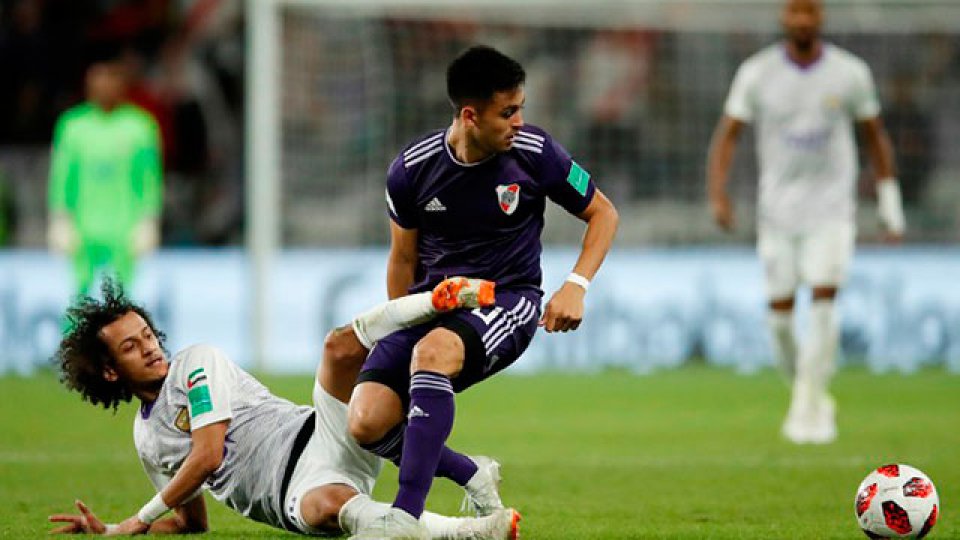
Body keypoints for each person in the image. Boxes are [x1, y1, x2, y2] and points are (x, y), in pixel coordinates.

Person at [346, 45, 619, 538]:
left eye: (521, 109)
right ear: (470, 115)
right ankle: (471, 472)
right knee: (366, 420)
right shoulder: (410, 171)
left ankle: (403, 518)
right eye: (507, 112)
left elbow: (604, 213)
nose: (519, 121)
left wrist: (575, 286)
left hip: (507, 300)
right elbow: (403, 260)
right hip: (436, 304)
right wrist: (402, 317)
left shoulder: (536, 154)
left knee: (432, 353)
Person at [47, 277, 521, 539]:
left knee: (337, 347)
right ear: (110, 372)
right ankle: (472, 529)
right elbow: (192, 524)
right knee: (326, 509)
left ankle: (436, 300)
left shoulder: (195, 364)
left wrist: (138, 519)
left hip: (316, 431)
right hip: (296, 494)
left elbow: (208, 454)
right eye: (131, 347)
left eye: (147, 334)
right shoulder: (146, 439)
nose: (149, 347)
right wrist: (114, 530)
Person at [706, 0, 904, 444]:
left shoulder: (849, 73)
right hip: (777, 212)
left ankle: (805, 413)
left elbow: (875, 136)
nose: (802, 21)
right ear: (783, 18)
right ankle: (812, 394)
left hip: (832, 210)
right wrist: (718, 194)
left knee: (823, 303)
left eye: (809, 13)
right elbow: (727, 136)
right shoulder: (757, 73)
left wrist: (890, 201)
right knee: (778, 320)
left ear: (821, 18)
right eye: (795, 12)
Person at [47, 52, 163, 296]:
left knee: (123, 298)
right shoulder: (73, 126)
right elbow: (62, 175)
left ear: (122, 82)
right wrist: (60, 218)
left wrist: (148, 220)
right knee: (79, 297)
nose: (104, 84)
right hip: (83, 226)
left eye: (110, 78)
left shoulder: (140, 126)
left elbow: (149, 178)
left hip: (124, 226)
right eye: (98, 78)